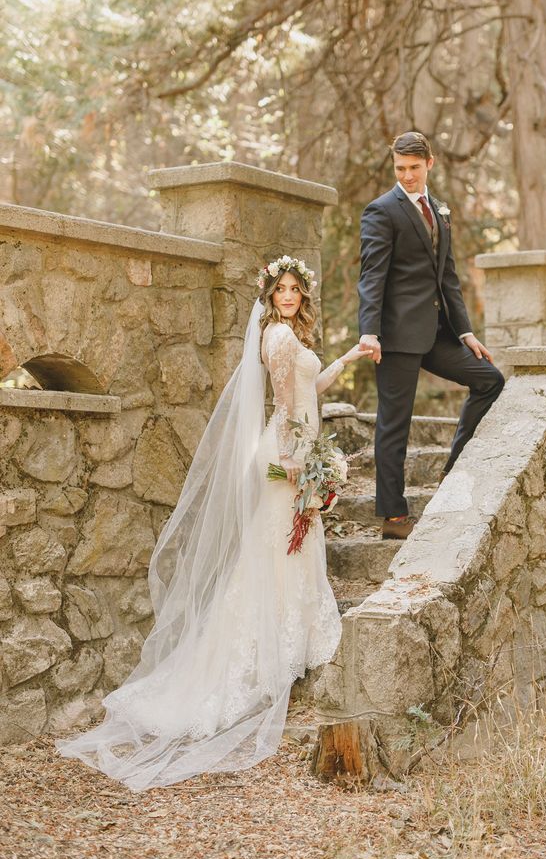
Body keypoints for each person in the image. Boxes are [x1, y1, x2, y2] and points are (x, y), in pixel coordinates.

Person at [56, 255, 370, 792]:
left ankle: (291, 639)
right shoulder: (276, 339)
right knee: (278, 548)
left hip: (298, 447)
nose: (289, 296)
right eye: (282, 289)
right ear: (270, 296)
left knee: (282, 547)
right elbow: (290, 407)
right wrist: (299, 465)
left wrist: (352, 355)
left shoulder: (287, 336)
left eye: (296, 289)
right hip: (289, 452)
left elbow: (309, 393)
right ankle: (271, 649)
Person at [358, 131, 505, 541]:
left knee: (489, 380)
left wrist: (466, 332)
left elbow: (449, 277)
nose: (406, 176)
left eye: (414, 168)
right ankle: (393, 516)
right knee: (394, 424)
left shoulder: (439, 210)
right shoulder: (381, 211)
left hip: (436, 333)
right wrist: (369, 332)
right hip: (394, 336)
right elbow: (372, 277)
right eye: (400, 168)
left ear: (430, 165)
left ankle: (451, 471)